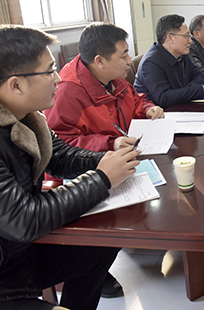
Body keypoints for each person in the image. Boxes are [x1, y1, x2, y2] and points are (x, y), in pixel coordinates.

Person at [0, 25, 141, 310]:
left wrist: (105, 161)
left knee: (102, 243)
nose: (58, 78)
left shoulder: (28, 117)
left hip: (20, 255)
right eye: (49, 71)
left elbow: (61, 156)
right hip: (5, 275)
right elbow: (23, 218)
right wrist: (102, 178)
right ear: (16, 85)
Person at [46, 23, 164, 152]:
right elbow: (61, 145)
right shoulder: (67, 93)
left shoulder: (113, 76)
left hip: (125, 154)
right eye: (123, 56)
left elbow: (135, 101)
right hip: (97, 161)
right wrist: (109, 144)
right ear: (100, 61)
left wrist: (147, 109)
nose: (130, 61)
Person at [134, 14, 204, 108]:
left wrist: (189, 89)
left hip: (180, 106)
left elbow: (200, 76)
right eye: (186, 36)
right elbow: (163, 97)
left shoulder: (181, 54)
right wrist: (199, 90)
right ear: (170, 38)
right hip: (159, 113)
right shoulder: (151, 62)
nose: (190, 41)